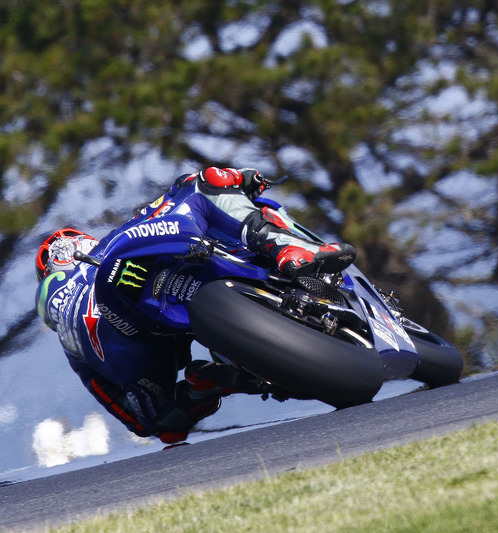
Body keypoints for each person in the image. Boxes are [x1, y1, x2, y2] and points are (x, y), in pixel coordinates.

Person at [34, 167, 356, 443]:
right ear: (76, 246)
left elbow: (148, 426)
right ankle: (287, 250)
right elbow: (179, 193)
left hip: (138, 354)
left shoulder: (70, 346)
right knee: (202, 182)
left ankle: (213, 382)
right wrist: (239, 178)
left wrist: (179, 405)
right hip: (122, 293)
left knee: (158, 417)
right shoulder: (96, 255)